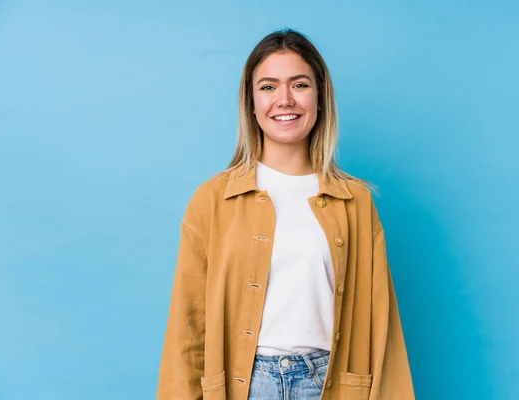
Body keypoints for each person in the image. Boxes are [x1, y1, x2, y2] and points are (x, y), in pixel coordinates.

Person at [156, 29, 414, 400]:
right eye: (268, 87)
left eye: (299, 84)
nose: (285, 100)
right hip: (246, 387)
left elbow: (382, 330)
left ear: (320, 97)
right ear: (251, 102)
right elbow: (188, 330)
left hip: (330, 383)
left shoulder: (354, 201)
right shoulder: (212, 200)